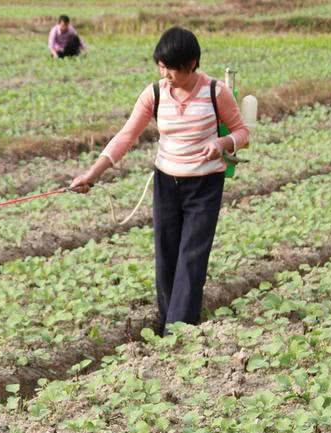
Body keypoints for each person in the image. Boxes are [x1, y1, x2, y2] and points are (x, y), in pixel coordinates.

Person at [70, 27, 249, 336]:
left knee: (192, 256)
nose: (166, 74)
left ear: (192, 64)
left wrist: (222, 144)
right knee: (166, 255)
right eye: (161, 66)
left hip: (205, 184)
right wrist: (93, 173)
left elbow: (243, 133)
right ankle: (170, 320)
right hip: (167, 182)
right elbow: (126, 136)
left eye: (172, 68)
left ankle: (177, 332)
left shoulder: (215, 92)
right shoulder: (154, 93)